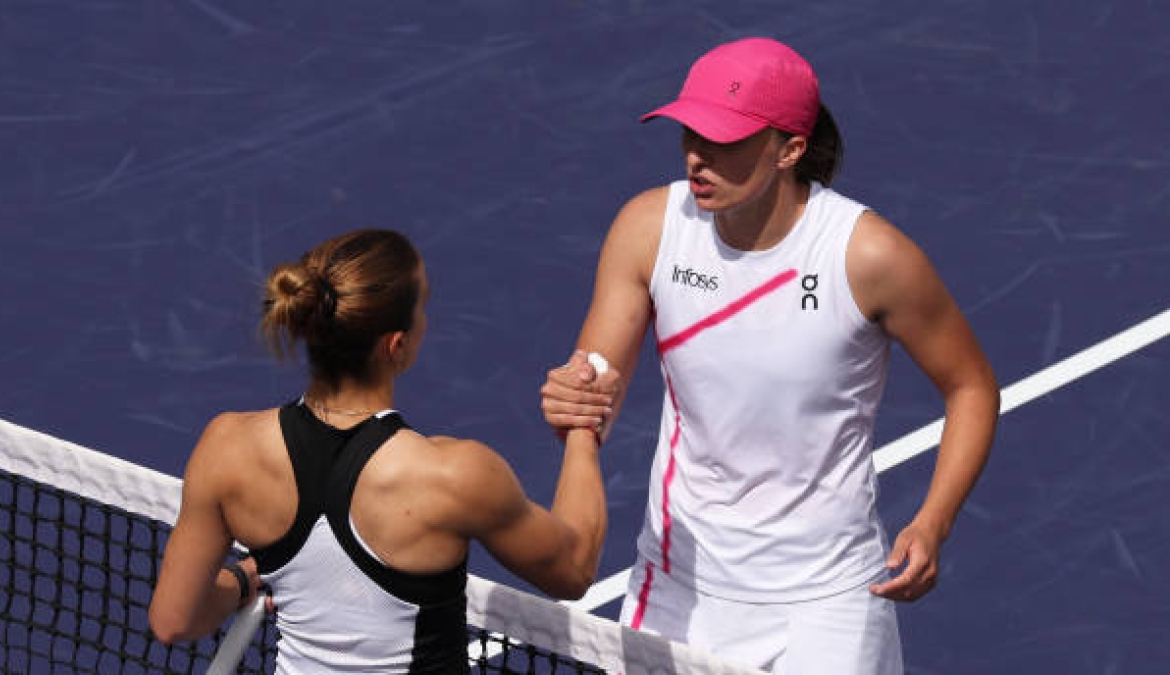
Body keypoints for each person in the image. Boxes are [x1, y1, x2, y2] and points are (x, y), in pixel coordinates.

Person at [540, 37, 1000, 673]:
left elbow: (971, 387)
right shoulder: (649, 229)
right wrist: (575, 400)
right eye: (690, 133)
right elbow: (594, 390)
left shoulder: (867, 257)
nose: (697, 157)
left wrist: (932, 522)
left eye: (724, 140)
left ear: (790, 150)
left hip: (828, 602)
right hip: (679, 587)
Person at [150, 229, 611, 673]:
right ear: (397, 345)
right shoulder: (454, 476)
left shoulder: (227, 446)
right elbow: (573, 568)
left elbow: (174, 620)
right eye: (422, 307)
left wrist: (240, 580)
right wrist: (582, 427)